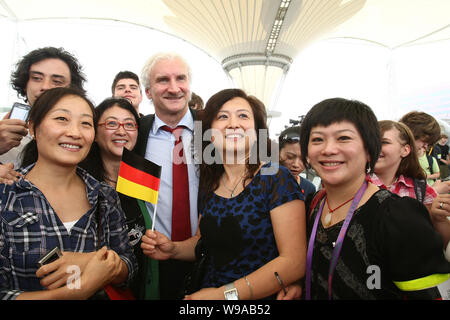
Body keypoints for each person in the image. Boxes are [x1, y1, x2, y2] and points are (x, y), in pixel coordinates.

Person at [141, 88, 307, 300]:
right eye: (222, 117)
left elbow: (294, 262)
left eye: (243, 116)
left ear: (257, 131)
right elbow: (204, 243)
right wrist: (173, 249)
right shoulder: (210, 184)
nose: (233, 124)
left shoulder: (275, 179)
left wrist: (223, 295)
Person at [296, 98, 450, 300]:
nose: (328, 149)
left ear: (369, 150)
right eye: (317, 139)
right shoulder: (314, 203)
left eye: (343, 138)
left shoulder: (398, 215)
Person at [0, 87, 136, 299]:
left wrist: (92, 261)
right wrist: (80, 290)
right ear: (33, 128)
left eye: (85, 123)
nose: (75, 132)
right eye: (62, 119)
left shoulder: (104, 195)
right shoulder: (6, 195)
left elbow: (128, 265)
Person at [134, 52, 199, 299]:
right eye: (163, 80)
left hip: (210, 258)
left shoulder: (213, 131)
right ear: (148, 92)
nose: (174, 88)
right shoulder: (135, 133)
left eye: (180, 78)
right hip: (153, 261)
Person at [80, 97, 153, 299]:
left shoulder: (140, 181)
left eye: (129, 124)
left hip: (140, 288)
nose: (121, 131)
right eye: (112, 123)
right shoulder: (80, 184)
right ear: (94, 133)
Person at [0, 46, 86, 168]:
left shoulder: (84, 135)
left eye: (57, 81)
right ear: (25, 84)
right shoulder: (5, 133)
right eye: (36, 78)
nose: (45, 86)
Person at [370, 120, 437, 211]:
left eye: (384, 142)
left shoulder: (419, 188)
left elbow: (434, 223)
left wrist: (438, 217)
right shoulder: (353, 183)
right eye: (370, 142)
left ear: (405, 150)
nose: (374, 147)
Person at [399, 111, 450, 193]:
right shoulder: (391, 165)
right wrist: (434, 191)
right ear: (412, 135)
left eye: (429, 144)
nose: (426, 147)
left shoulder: (409, 163)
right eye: (424, 141)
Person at [278, 126, 316, 199]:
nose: (296, 164)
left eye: (304, 159)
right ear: (278, 152)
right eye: (289, 157)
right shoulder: (262, 181)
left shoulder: (309, 189)